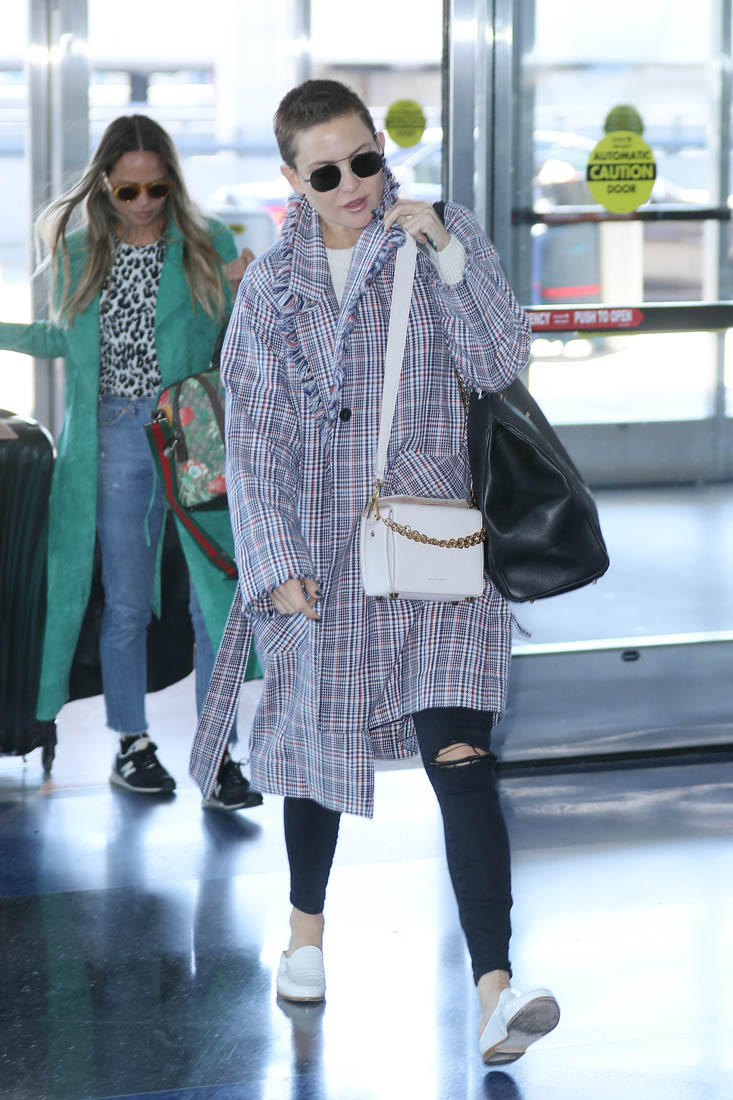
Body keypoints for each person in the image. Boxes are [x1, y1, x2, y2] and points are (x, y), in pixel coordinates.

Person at [190, 80, 560, 1062]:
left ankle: (496, 988)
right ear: (291, 180)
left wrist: (444, 253)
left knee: (461, 756)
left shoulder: (439, 237)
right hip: (319, 554)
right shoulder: (271, 287)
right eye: (326, 173)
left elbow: (499, 361)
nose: (353, 183)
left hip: (435, 544)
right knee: (317, 746)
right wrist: (273, 561)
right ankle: (304, 934)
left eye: (364, 160)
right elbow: (254, 438)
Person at [0, 114, 261, 810]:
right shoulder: (80, 250)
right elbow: (61, 338)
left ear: (172, 181)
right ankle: (132, 744)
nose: (144, 202)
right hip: (114, 433)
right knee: (124, 603)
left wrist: (246, 287)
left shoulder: (207, 242)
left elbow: (238, 340)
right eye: (128, 190)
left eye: (156, 187)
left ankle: (218, 754)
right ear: (105, 187)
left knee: (214, 602)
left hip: (194, 431)